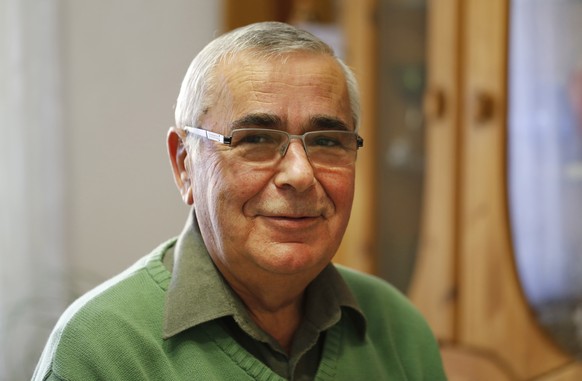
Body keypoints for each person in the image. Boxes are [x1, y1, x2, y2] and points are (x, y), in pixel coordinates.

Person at [33, 21, 446, 380]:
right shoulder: (99, 351)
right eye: (257, 140)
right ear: (185, 165)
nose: (300, 175)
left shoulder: (398, 330)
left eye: (326, 141)